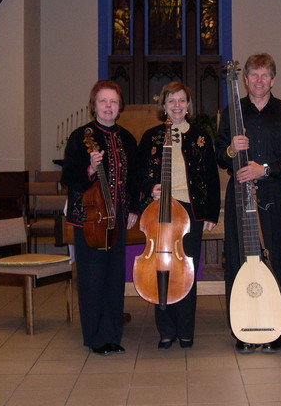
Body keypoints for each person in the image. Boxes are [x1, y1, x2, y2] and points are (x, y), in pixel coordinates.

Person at [215, 52, 281, 354]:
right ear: (245, 78)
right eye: (254, 75)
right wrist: (230, 149)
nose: (259, 80)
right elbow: (218, 154)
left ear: (273, 79)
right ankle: (242, 327)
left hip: (273, 194)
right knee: (239, 260)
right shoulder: (232, 111)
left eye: (265, 75)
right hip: (240, 195)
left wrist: (263, 169)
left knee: (275, 258)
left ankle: (277, 327)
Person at [138, 81, 220, 350]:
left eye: (182, 100)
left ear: (188, 106)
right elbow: (139, 174)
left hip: (190, 211)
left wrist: (210, 213)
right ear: (164, 105)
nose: (176, 105)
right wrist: (152, 187)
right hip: (159, 210)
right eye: (171, 100)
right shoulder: (151, 137)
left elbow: (210, 175)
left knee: (186, 270)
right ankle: (165, 330)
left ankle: (186, 330)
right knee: (159, 268)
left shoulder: (200, 135)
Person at [62, 80, 142, 356]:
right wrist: (89, 168)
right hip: (89, 220)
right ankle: (95, 337)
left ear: (120, 107)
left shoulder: (127, 138)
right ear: (93, 105)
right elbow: (68, 177)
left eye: (113, 102)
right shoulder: (78, 137)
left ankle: (111, 335)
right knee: (92, 278)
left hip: (117, 219)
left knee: (113, 279)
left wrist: (133, 208)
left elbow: (134, 179)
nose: (108, 106)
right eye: (103, 101)